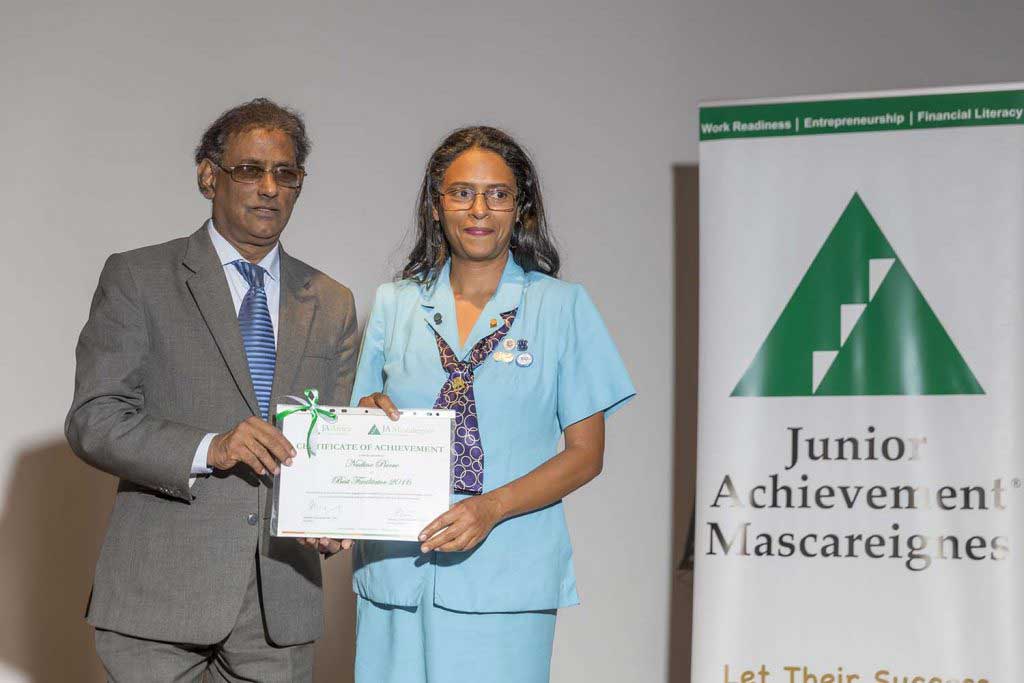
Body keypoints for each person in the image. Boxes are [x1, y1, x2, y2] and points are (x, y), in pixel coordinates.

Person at [65, 98, 358, 681]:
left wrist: (339, 505)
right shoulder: (138, 277)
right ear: (208, 177)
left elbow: (330, 441)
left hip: (281, 604)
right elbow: (94, 419)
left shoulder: (332, 301)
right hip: (158, 600)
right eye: (250, 170)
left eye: (286, 173)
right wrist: (210, 448)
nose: (269, 188)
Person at [351, 126, 636, 682]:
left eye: (498, 194)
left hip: (507, 577)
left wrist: (491, 508)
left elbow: (586, 455)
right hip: (397, 573)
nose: (479, 209)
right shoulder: (393, 305)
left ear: (520, 207)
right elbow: (361, 420)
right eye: (462, 193)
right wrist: (366, 427)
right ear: (436, 204)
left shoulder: (562, 307)